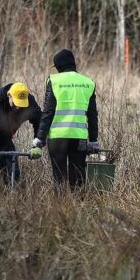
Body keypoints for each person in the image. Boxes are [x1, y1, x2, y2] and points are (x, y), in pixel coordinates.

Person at [33, 50, 99, 189]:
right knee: (78, 179)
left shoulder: (54, 81)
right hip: (79, 138)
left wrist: (40, 137)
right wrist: (93, 140)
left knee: (59, 180)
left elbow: (48, 111)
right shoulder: (88, 83)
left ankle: (60, 208)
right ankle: (79, 208)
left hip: (58, 138)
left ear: (59, 66)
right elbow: (92, 115)